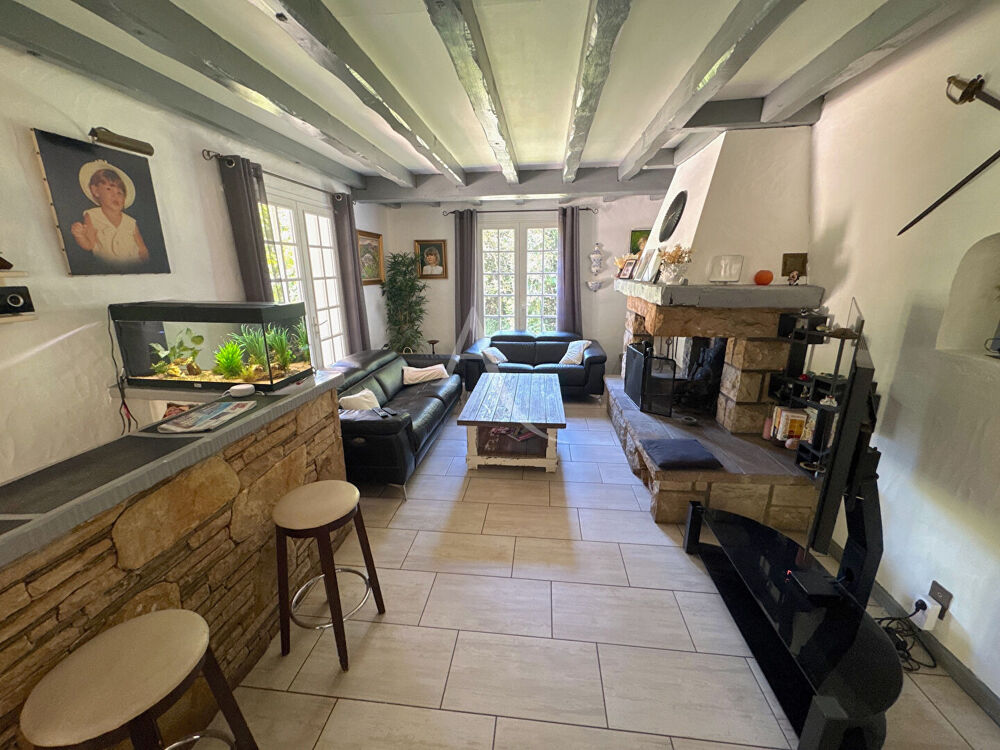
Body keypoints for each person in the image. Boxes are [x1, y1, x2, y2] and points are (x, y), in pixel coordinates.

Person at [71, 161, 149, 264]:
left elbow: (142, 249)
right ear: (95, 191)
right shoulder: (92, 215)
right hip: (107, 267)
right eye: (109, 189)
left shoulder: (130, 222)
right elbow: (89, 245)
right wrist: (79, 235)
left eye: (119, 193)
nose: (115, 195)